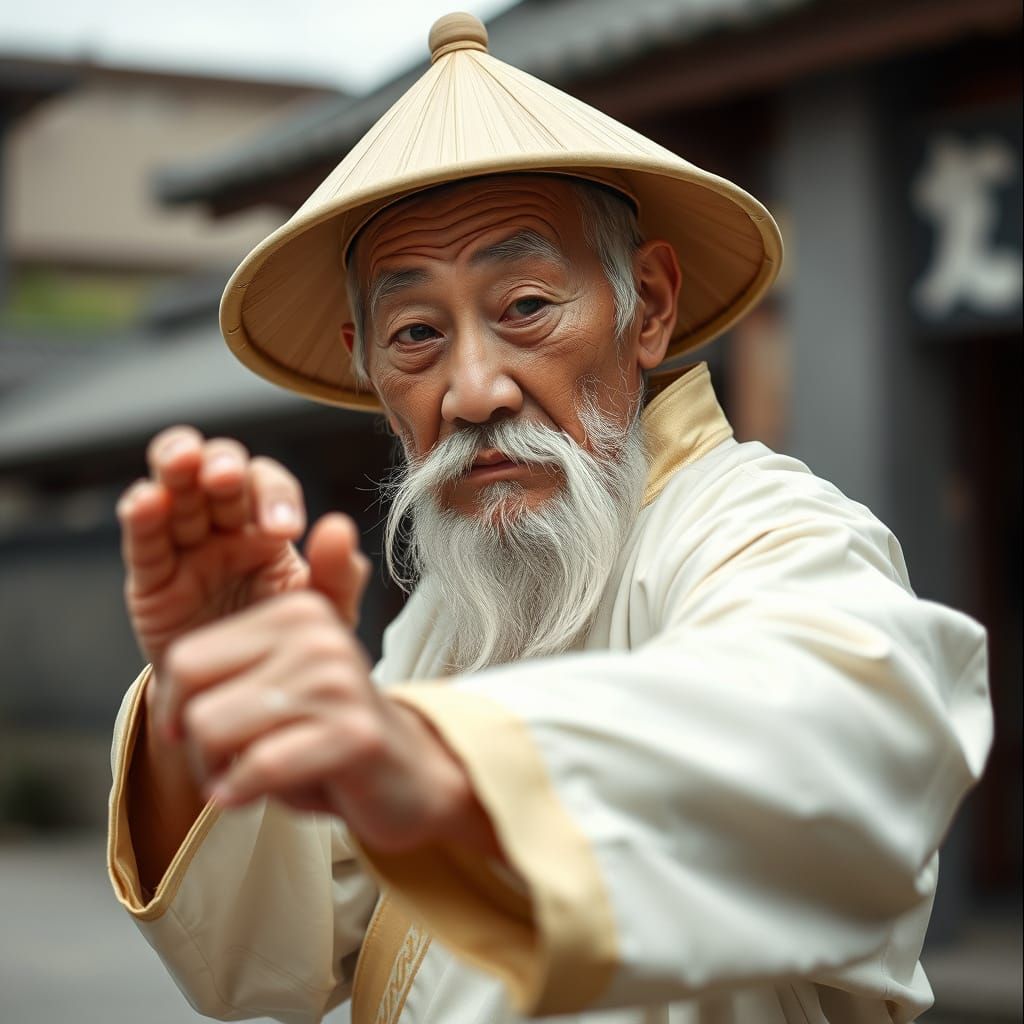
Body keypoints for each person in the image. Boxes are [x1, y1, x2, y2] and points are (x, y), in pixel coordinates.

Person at [107, 13, 992, 1024]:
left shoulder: (759, 526)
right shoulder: (448, 618)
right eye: (416, 334)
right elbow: (278, 958)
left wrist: (436, 771)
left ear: (647, 304)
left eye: (524, 306)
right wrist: (210, 694)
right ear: (365, 361)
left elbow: (847, 737)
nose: (473, 388)